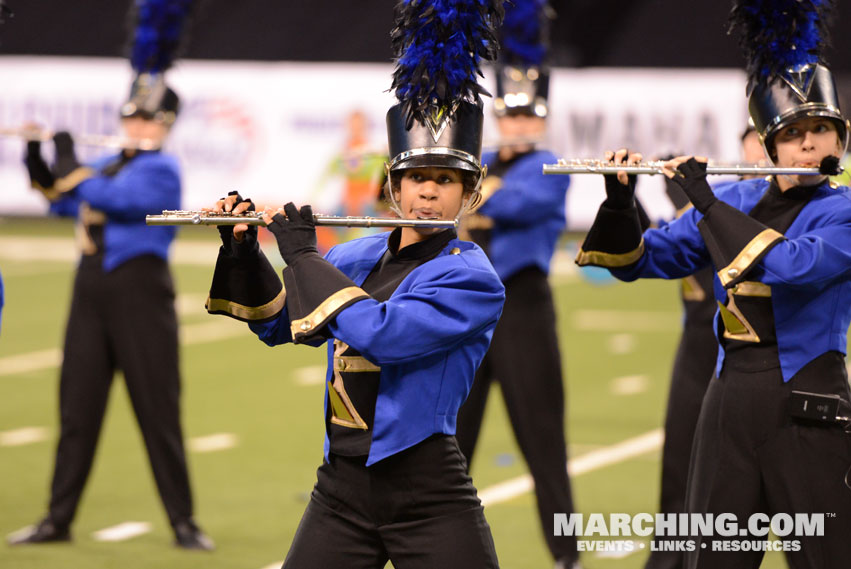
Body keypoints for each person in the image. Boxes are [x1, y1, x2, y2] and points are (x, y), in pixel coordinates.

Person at [205, 1, 506, 566]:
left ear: (470, 194)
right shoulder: (355, 254)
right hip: (339, 490)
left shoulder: (472, 279)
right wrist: (245, 247)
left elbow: (385, 335)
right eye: (416, 177)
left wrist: (303, 254)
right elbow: (277, 324)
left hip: (426, 492)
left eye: (446, 180)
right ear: (393, 186)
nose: (428, 193)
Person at [576, 48, 851, 569]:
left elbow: (792, 265)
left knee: (826, 557)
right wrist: (620, 201)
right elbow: (639, 260)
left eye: (820, 129)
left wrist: (704, 201)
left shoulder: (843, 213)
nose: (809, 143)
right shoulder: (736, 199)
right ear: (770, 147)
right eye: (792, 134)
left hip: (808, 405)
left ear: (841, 140)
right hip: (728, 403)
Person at [7, 0, 212, 550]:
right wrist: (35, 154)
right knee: (77, 409)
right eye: (130, 117)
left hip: (140, 291)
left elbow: (111, 201)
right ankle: (58, 519)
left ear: (164, 125)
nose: (135, 125)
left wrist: (73, 166)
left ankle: (183, 522)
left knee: (157, 410)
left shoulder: (161, 168)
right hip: (90, 289)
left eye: (146, 119)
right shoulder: (105, 163)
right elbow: (60, 201)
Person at [454, 2, 579, 567]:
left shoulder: (549, 164)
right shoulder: (478, 160)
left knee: (542, 440)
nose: (518, 127)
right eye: (509, 118)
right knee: (452, 441)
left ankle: (566, 553)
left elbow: (525, 202)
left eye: (527, 119)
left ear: (542, 120)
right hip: (470, 314)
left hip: (523, 308)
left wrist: (484, 192)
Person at [644, 128, 768, 569]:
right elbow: (656, 252)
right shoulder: (728, 197)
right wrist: (625, 199)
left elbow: (728, 257)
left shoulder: (740, 206)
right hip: (698, 349)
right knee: (678, 472)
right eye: (753, 142)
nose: (760, 150)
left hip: (756, 360)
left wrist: (692, 202)